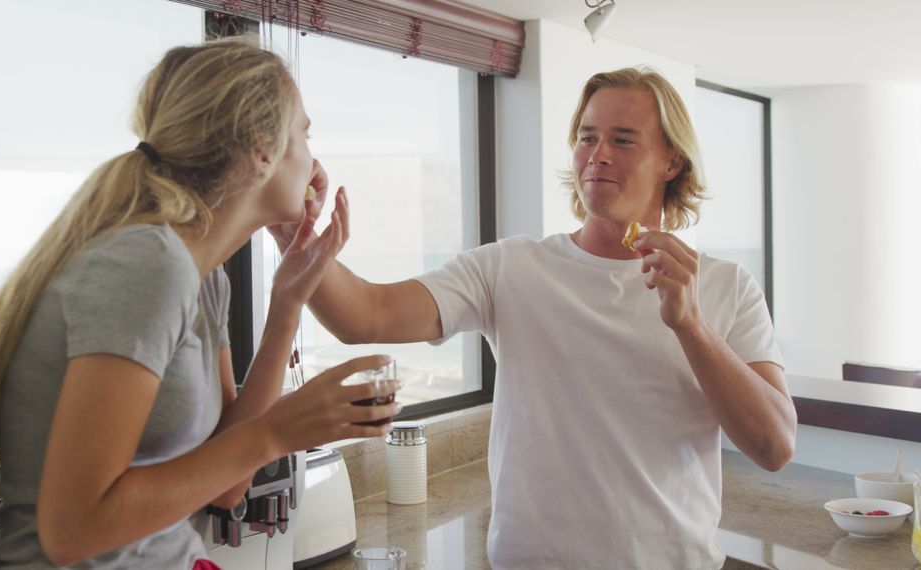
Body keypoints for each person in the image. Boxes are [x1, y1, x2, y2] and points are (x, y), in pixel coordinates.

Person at [267, 67, 797, 569]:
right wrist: (296, 232)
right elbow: (367, 316)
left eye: (624, 139)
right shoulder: (510, 268)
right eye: (587, 137)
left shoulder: (726, 287)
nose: (598, 155)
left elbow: (773, 447)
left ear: (672, 162)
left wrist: (691, 325)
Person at [0, 39, 400, 569]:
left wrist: (289, 301)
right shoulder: (144, 264)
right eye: (304, 136)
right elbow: (73, 530)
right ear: (261, 151)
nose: (314, 161)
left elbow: (227, 487)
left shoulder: (202, 279)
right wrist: (279, 429)